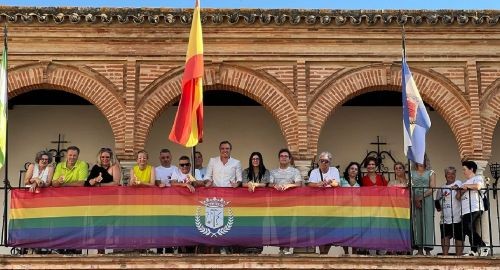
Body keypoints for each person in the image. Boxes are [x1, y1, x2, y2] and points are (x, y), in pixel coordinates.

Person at [204, 141, 242, 255]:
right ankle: (217, 246)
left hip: (229, 195)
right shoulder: (213, 160)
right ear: (219, 150)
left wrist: (237, 184)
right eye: (223, 148)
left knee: (228, 221)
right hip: (214, 196)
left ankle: (226, 246)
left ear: (231, 150)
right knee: (216, 222)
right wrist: (208, 182)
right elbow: (207, 176)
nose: (225, 150)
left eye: (227, 148)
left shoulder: (236, 162)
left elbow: (239, 179)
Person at [269, 148, 303, 255]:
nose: (283, 158)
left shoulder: (295, 171)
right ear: (279, 158)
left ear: (289, 159)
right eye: (281, 156)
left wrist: (288, 185)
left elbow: (298, 184)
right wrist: (275, 185)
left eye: (286, 156)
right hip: (277, 203)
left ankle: (287, 247)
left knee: (289, 225)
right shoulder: (273, 172)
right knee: (278, 225)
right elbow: (269, 184)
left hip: (290, 203)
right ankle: (281, 248)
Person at [456, 160, 489, 256]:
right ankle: (474, 251)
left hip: (475, 207)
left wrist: (466, 186)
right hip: (466, 210)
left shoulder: (478, 178)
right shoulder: (465, 182)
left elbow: (478, 187)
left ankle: (483, 246)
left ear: (471, 169)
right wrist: (462, 189)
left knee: (467, 227)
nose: (463, 171)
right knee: (469, 229)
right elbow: (458, 197)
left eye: (465, 169)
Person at [435, 166, 463, 256]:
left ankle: (459, 258)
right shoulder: (441, 188)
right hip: (445, 218)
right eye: (448, 173)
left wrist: (455, 188)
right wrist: (438, 207)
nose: (450, 175)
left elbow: (457, 186)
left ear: (455, 175)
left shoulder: (458, 182)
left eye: (453, 173)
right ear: (445, 175)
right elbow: (437, 200)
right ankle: (445, 256)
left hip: (457, 217)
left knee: (459, 238)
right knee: (445, 237)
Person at [411, 159, 436, 256]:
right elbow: (410, 187)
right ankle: (419, 249)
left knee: (427, 222)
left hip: (427, 198)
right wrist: (415, 199)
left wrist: (421, 197)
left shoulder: (431, 172)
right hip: (415, 197)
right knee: (417, 222)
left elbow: (432, 187)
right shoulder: (412, 173)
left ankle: (428, 249)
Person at [339, 162, 362, 255]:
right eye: (352, 168)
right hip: (344, 210)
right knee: (345, 232)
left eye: (356, 169)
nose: (354, 170)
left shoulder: (360, 183)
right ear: (348, 170)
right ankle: (346, 253)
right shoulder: (341, 180)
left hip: (356, 210)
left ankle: (354, 254)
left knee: (355, 233)